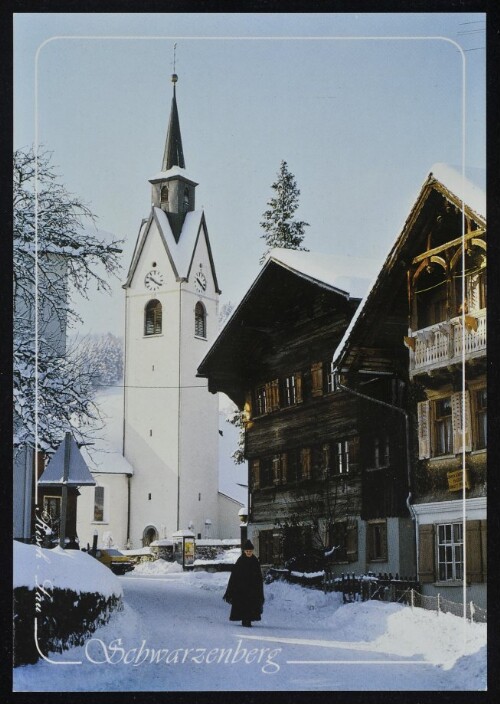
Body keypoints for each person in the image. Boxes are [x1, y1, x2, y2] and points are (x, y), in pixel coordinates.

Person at [223, 540, 264, 627]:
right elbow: (234, 575)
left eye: (250, 551)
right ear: (244, 551)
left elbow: (259, 576)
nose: (249, 553)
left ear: (252, 551)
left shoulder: (255, 561)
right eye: (247, 551)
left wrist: (258, 587)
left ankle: (248, 620)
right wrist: (234, 587)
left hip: (252, 588)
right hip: (242, 588)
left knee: (251, 604)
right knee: (243, 604)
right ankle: (245, 620)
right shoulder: (240, 561)